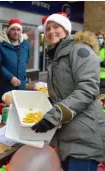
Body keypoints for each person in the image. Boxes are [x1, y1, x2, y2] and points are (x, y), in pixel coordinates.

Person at [31, 13, 105, 171]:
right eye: (48, 28)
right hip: (68, 133)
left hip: (84, 135)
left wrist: (54, 115)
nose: (51, 31)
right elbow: (62, 93)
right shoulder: (58, 55)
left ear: (66, 29)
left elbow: (88, 88)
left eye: (56, 27)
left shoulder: (79, 50)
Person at [0, 18, 30, 98]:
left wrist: (23, 79)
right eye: (13, 29)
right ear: (8, 30)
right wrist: (10, 77)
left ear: (21, 31)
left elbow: (25, 60)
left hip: (21, 85)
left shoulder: (25, 44)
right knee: (6, 108)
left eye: (18, 30)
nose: (16, 32)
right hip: (5, 85)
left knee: (20, 107)